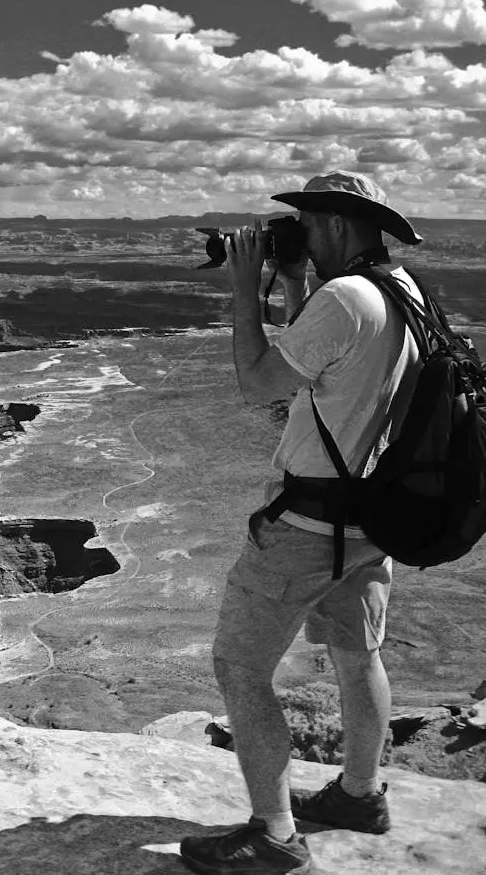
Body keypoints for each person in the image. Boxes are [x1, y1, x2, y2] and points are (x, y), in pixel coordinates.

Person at [179, 170, 426, 875]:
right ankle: (360, 794)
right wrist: (292, 280)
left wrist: (241, 289)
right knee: (358, 654)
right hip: (371, 519)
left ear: (340, 226)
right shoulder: (399, 290)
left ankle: (274, 833)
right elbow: (322, 366)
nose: (303, 238)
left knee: (240, 665)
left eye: (308, 227)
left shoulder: (344, 298)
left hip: (307, 529)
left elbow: (258, 383)